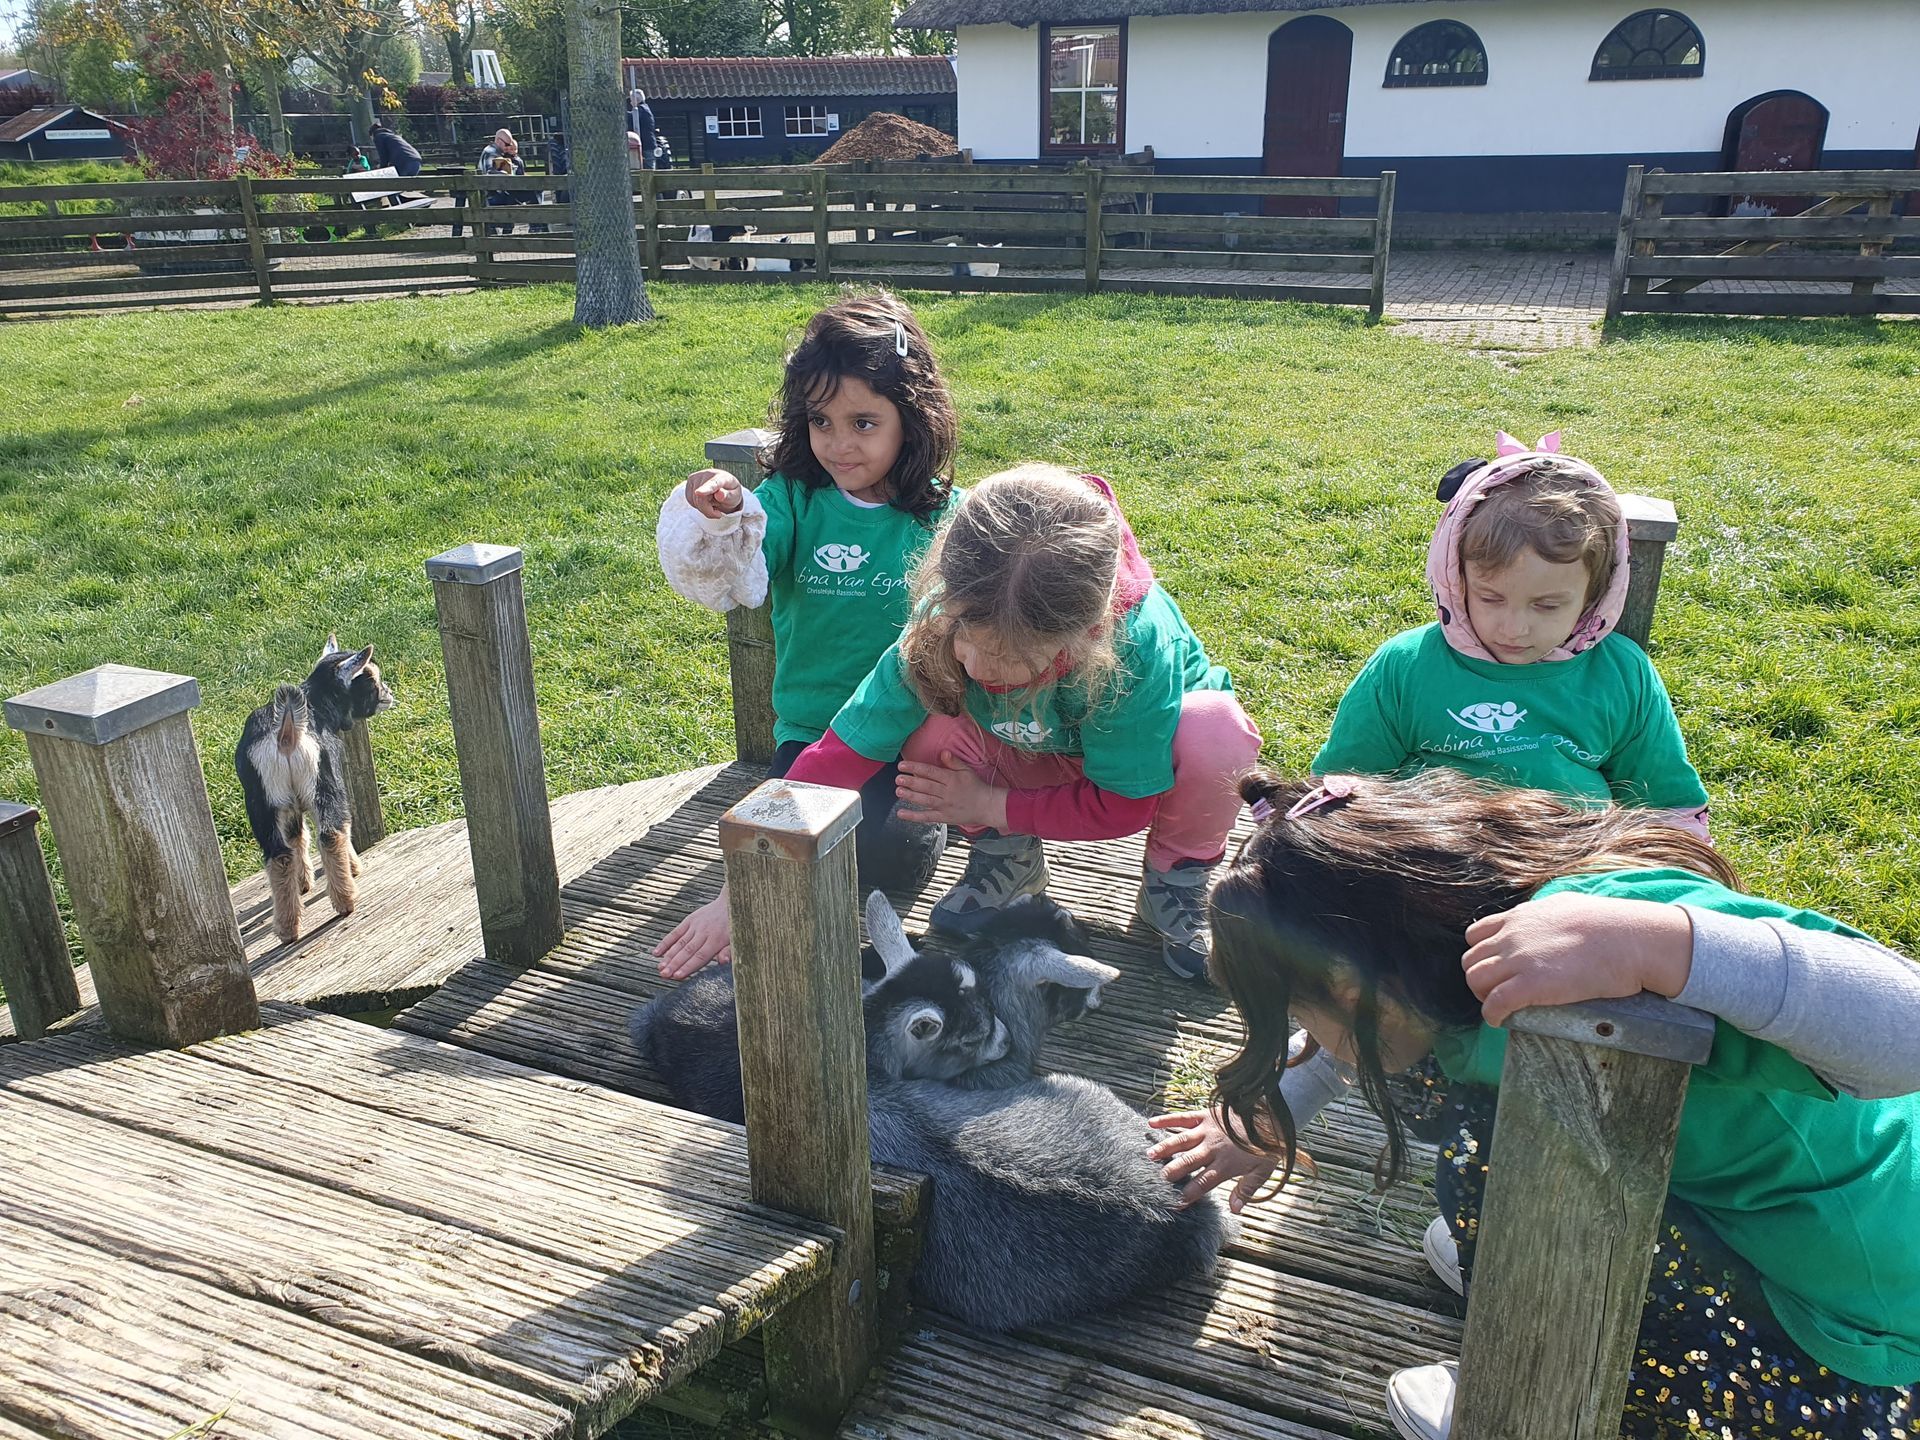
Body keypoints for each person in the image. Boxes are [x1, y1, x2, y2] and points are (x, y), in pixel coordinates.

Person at [1175, 766, 1919, 1439]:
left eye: (1305, 1018)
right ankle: (1522, 1268)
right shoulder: (1446, 949)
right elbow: (1373, 1030)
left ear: (1345, 983)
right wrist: (1275, 1114)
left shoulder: (1606, 927)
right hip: (1791, 1251)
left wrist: (1661, 946)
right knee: (1441, 1079)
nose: (1317, 1040)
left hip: (1854, 1348)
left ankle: (1539, 1402)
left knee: (1483, 1152)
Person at [1153, 430, 1714, 1273]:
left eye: (1549, 605)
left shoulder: (1620, 677)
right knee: (1370, 993)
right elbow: (1343, 799)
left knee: (1548, 1068)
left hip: (1573, 909)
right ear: (1454, 574)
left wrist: (1658, 906)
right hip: (1425, 891)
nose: (1515, 627)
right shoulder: (1406, 669)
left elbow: (1668, 806)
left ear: (1596, 592)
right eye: (1491, 597)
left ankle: (1531, 1209)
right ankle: (1307, 1115)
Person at [774, 462, 1262, 979]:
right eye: (967, 637)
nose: (980, 667)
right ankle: (1009, 859)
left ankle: (1175, 880)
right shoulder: (946, 611)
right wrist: (762, 861)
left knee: (1216, 733)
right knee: (926, 725)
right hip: (1024, 744)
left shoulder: (1137, 646)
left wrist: (989, 802)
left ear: (1089, 632)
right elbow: (846, 748)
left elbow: (1123, 805)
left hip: (1144, 765)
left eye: (1009, 656)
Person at [651, 294, 962, 979]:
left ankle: (981, 840)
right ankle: (747, 913)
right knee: (788, 845)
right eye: (821, 421)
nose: (839, 443)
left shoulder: (942, 514)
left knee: (883, 854)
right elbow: (745, 565)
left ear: (912, 421)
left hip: (912, 728)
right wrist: (722, 514)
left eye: (863, 422)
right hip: (814, 731)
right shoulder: (793, 500)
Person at [632, 90, 658, 168]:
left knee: (649, 168)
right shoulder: (644, 108)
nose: (630, 102)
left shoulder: (641, 109)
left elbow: (632, 117)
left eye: (631, 100)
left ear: (636, 100)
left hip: (646, 144)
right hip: (647, 143)